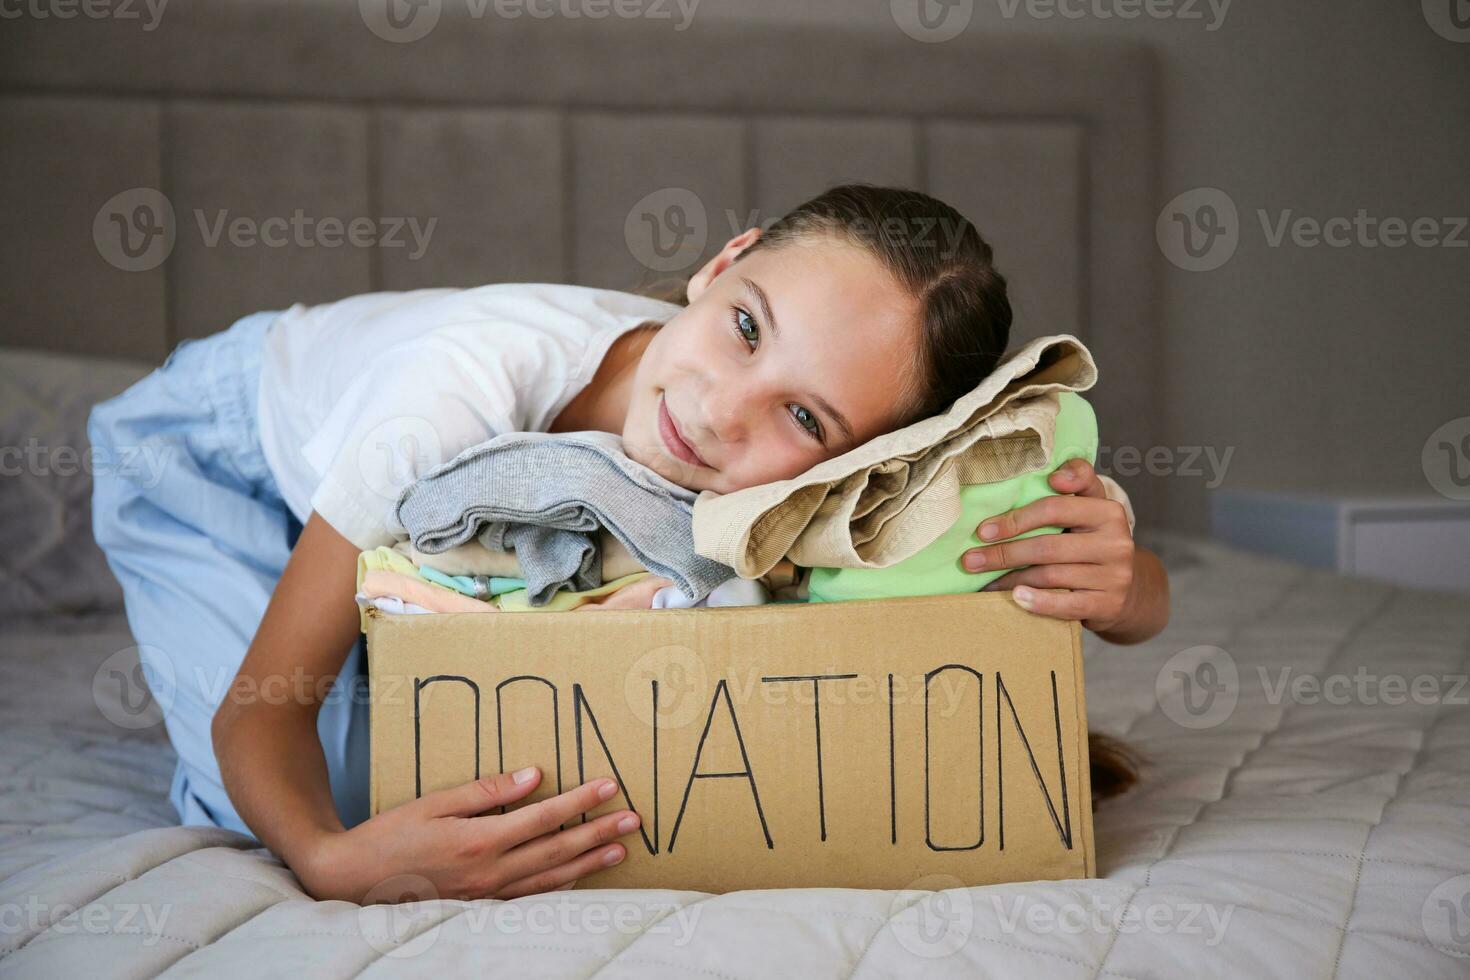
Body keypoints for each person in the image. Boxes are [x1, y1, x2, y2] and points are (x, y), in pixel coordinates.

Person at [88, 184, 1169, 903]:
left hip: (391, 498)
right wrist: (329, 862)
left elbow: (1113, 594)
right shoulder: (455, 391)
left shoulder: (784, 476)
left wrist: (1126, 589)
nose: (718, 410)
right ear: (723, 261)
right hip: (214, 456)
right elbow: (257, 710)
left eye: (806, 419)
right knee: (317, 784)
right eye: (747, 325)